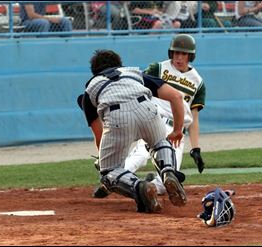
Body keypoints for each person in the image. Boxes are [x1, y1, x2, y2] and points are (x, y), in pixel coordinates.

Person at [92, 34, 206, 198]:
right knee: (140, 155)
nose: (178, 57)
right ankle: (110, 180)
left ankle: (147, 187)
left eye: (183, 54)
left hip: (177, 129)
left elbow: (194, 117)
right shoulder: (158, 68)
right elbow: (134, 87)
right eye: (175, 53)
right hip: (154, 119)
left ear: (191, 56)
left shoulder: (198, 82)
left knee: (166, 182)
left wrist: (195, 148)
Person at [80, 49, 187, 213]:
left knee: (109, 171)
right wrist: (178, 130)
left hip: (116, 116)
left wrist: (104, 159)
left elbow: (98, 133)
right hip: (147, 108)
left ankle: (140, 187)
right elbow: (176, 97)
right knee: (159, 143)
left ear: (95, 71)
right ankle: (168, 172)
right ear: (119, 65)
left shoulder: (91, 89)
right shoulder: (133, 74)